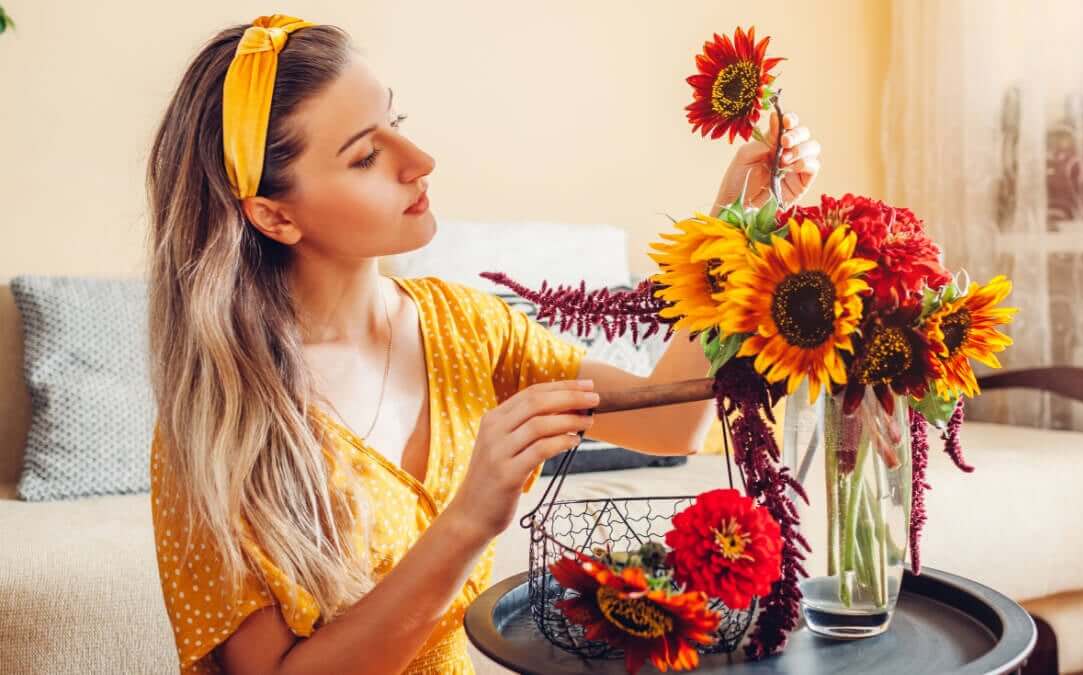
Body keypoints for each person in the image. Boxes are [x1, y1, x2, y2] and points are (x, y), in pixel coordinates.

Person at [145, 14, 820, 675]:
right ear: (274, 214)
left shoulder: (466, 328)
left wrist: (736, 224)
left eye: (396, 122)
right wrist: (470, 519)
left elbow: (668, 421)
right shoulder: (210, 433)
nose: (420, 162)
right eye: (365, 155)